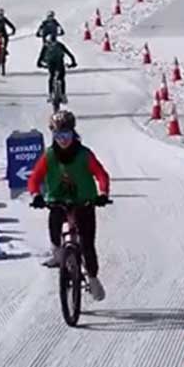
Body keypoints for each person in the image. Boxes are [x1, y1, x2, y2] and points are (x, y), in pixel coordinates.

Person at [28, 110, 111, 301]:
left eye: (66, 135)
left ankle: (93, 278)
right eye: (58, 136)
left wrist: (103, 194)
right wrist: (36, 195)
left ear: (73, 134)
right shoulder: (49, 156)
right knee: (54, 222)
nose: (62, 140)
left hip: (84, 202)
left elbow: (101, 174)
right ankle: (58, 253)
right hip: (58, 200)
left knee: (87, 244)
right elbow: (34, 178)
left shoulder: (84, 155)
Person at [37, 34, 78, 102]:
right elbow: (69, 54)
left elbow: (41, 56)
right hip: (59, 62)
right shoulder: (60, 45)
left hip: (50, 63)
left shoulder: (46, 45)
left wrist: (39, 64)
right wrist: (73, 62)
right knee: (61, 78)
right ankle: (63, 95)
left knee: (51, 76)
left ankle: (50, 95)